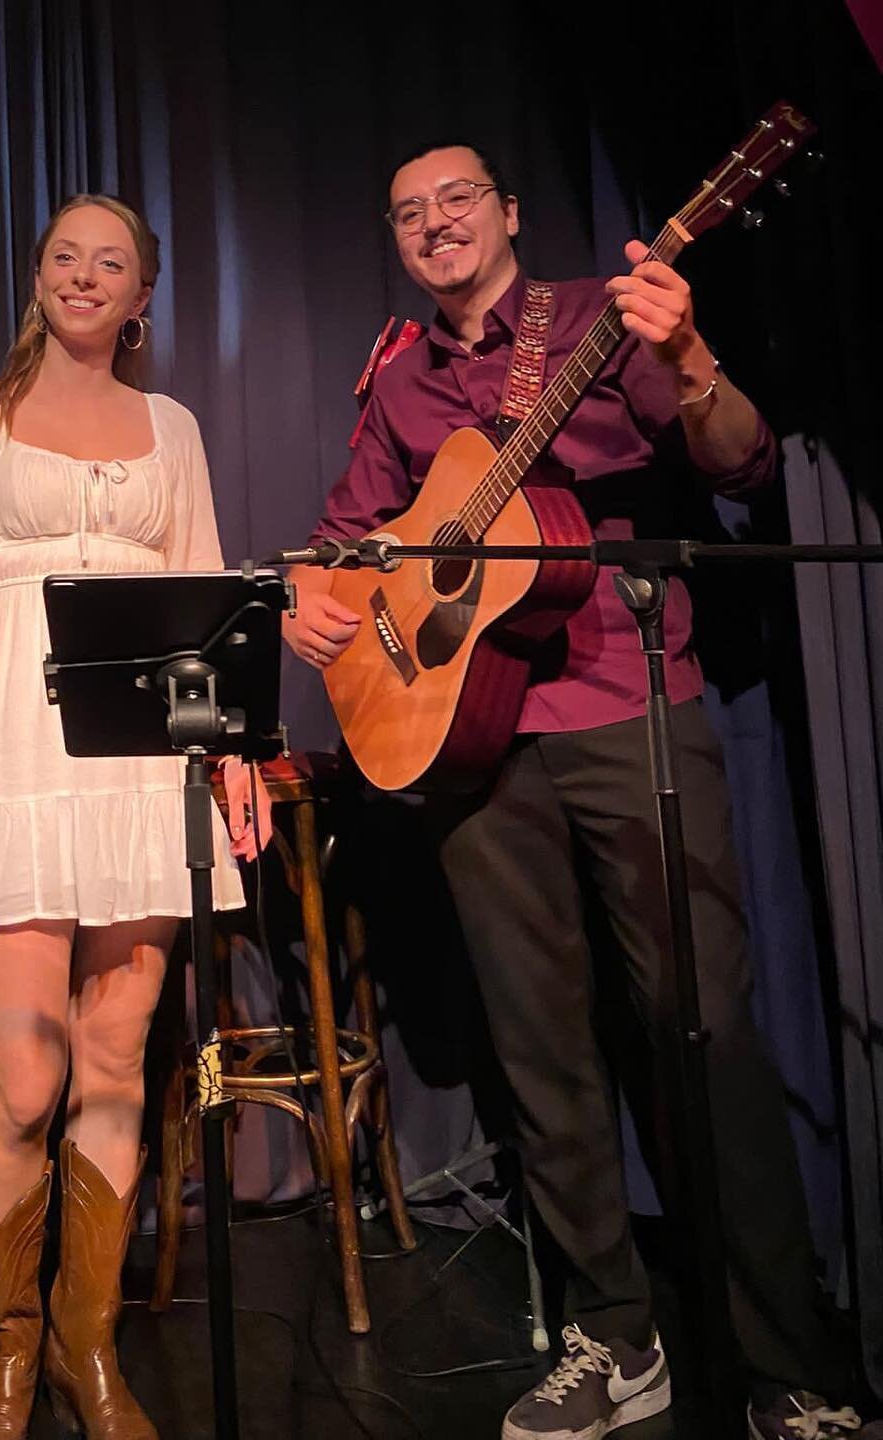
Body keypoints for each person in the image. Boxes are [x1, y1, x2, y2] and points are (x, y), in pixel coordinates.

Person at [284, 143, 874, 1440]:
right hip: (471, 747)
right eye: (406, 215)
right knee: (540, 1053)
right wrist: (314, 592)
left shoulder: (599, 323)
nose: (434, 225)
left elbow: (741, 461)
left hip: (627, 711)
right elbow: (341, 543)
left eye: (456, 202)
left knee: (697, 1031)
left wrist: (693, 357)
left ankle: (792, 1368)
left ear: (505, 214)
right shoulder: (399, 383)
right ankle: (615, 1341)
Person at [0, 194, 245, 1440]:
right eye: (63, 257)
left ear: (144, 296)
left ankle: (89, 1346)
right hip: (8, 746)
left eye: (112, 263)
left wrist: (226, 751)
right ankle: (9, 1341)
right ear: (37, 278)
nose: (84, 276)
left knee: (115, 1052)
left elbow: (204, 596)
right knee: (26, 1077)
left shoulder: (174, 428)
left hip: (145, 755)